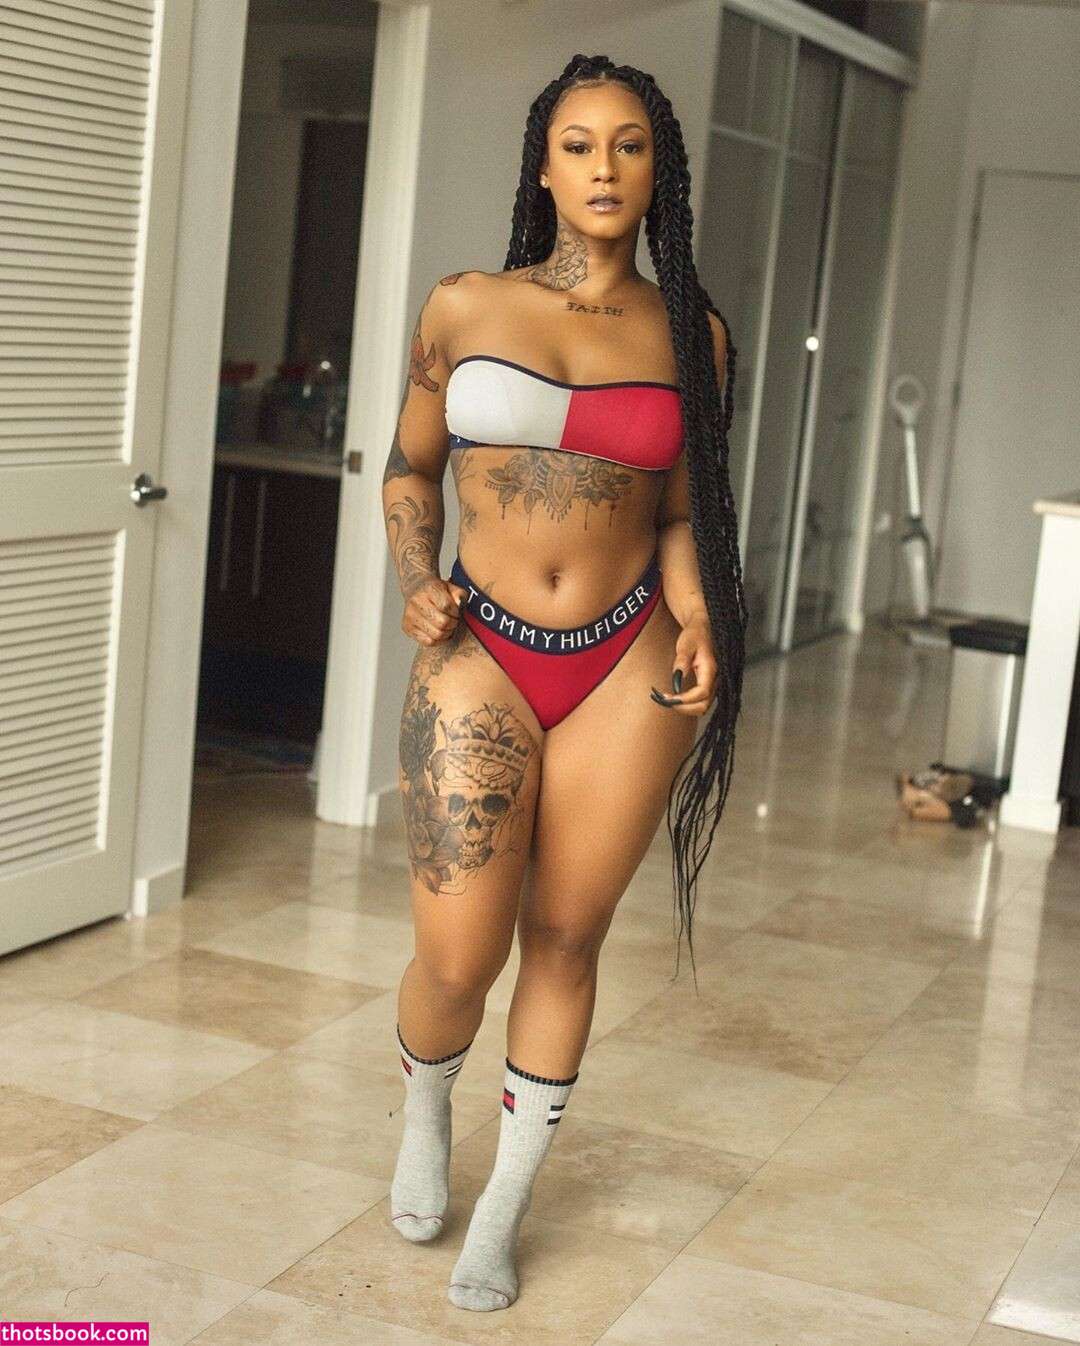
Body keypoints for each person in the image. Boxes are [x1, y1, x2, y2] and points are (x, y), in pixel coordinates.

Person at [381, 52, 747, 1312]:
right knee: (456, 957)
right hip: (477, 648)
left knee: (567, 937)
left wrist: (699, 620)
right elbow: (409, 469)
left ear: (659, 171)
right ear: (542, 166)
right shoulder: (464, 303)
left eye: (629, 145)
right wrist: (416, 577)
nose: (604, 167)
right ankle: (426, 1105)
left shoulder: (693, 334)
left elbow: (684, 511)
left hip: (625, 656)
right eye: (579, 145)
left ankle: (502, 1208)